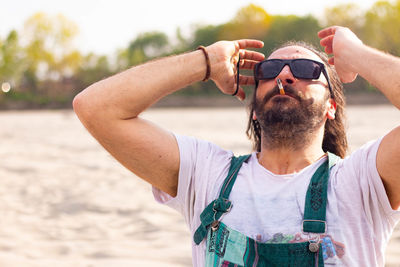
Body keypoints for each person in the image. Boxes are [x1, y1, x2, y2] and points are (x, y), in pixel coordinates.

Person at [73, 26, 400, 266]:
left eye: (304, 69)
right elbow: (95, 108)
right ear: (255, 107)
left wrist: (357, 55)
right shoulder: (205, 174)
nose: (283, 76)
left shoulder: (361, 181)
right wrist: (206, 61)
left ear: (332, 106)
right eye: (269, 71)